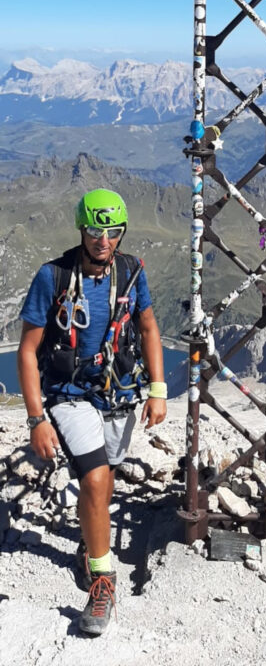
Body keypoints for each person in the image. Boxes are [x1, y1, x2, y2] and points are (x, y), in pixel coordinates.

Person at [17, 188, 167, 637]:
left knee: (106, 476)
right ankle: (103, 580)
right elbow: (28, 351)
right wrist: (37, 419)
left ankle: (89, 543)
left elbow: (147, 327)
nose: (104, 241)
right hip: (68, 394)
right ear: (81, 230)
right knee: (97, 479)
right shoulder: (53, 277)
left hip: (118, 393)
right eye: (95, 231)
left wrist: (158, 390)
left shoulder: (131, 271)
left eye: (113, 232)